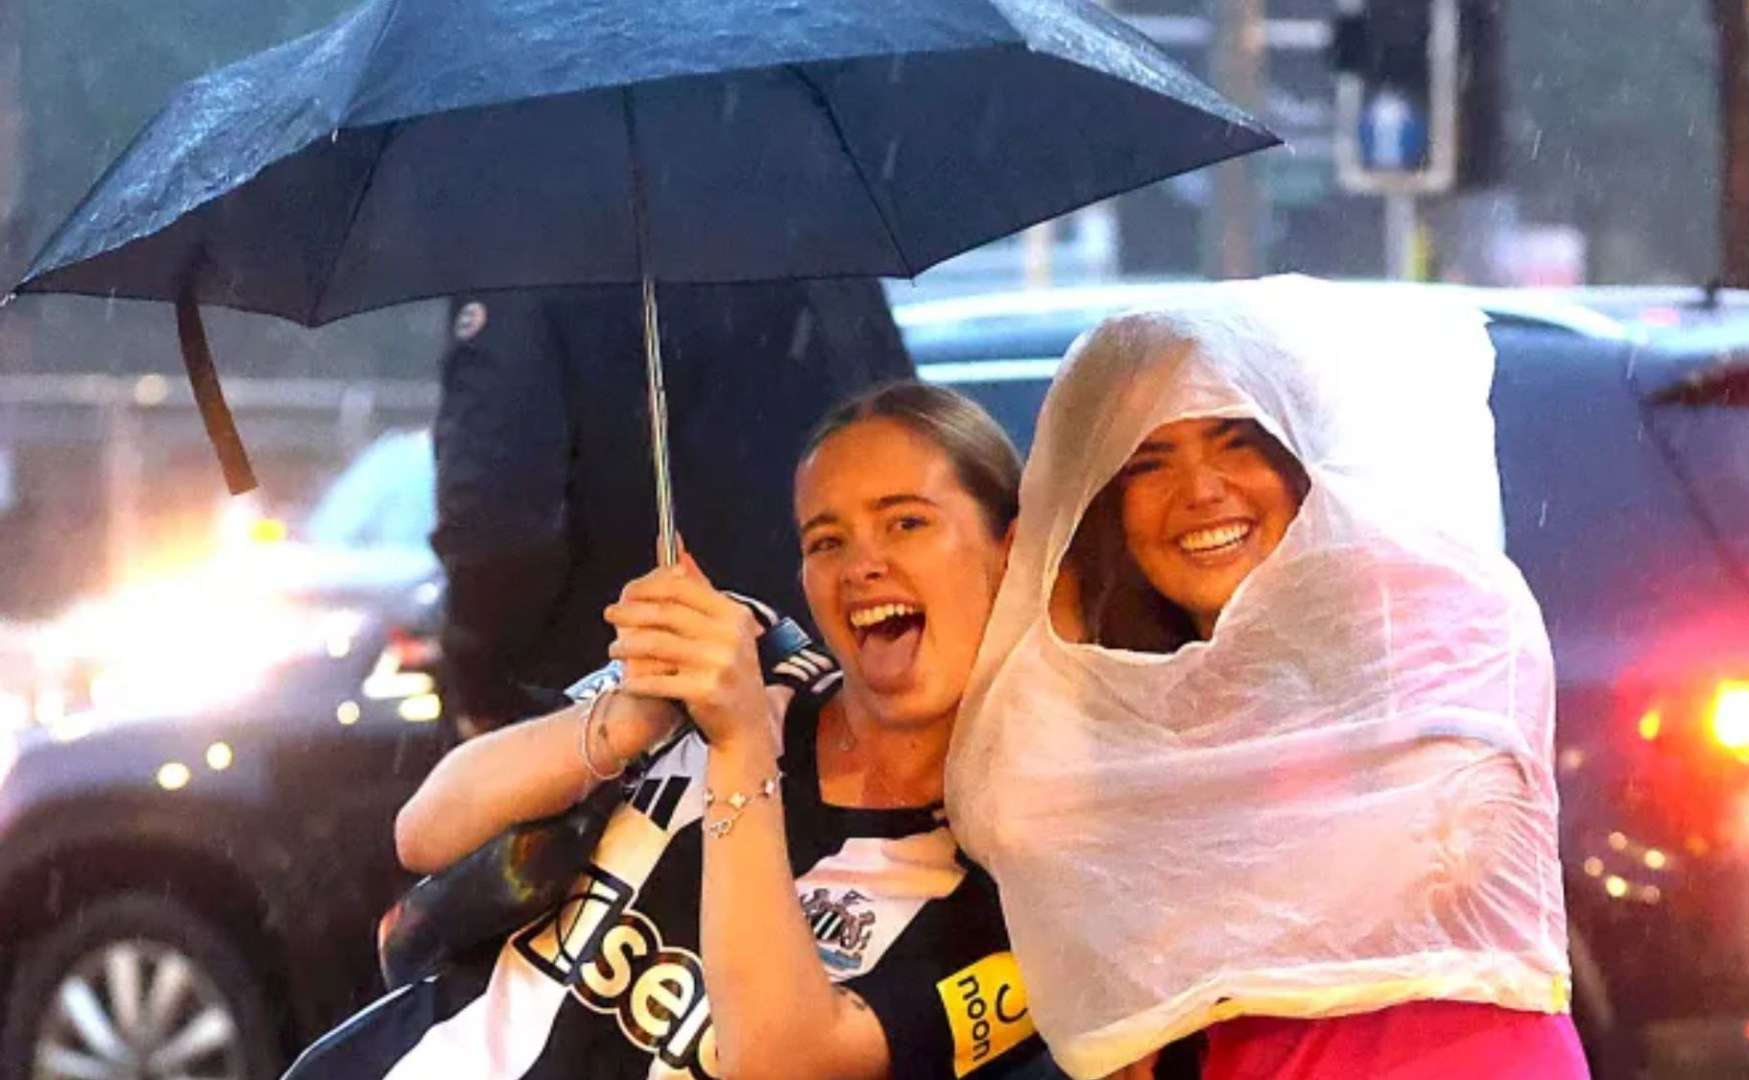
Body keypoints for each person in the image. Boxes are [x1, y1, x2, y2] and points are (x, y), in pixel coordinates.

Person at [295, 382, 1045, 1079]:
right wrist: (630, 716)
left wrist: (740, 746)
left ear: (1008, 550)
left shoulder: (1019, 881)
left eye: (906, 522)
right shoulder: (748, 664)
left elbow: (781, 1061)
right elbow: (426, 830)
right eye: (825, 541)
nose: (861, 566)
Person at [948, 276, 1585, 1079]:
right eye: (1148, 462)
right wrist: (1053, 580)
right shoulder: (1147, 706)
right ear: (1106, 509)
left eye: (1235, 441)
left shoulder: (1440, 608)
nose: (1201, 490)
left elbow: (1440, 845)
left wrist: (1158, 931)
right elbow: (1013, 818)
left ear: (1300, 459)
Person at [431, 280, 912, 738]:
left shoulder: (526, 248)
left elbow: (498, 519)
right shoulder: (817, 232)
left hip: (616, 709)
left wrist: (483, 684)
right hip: (824, 700)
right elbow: (898, 443)